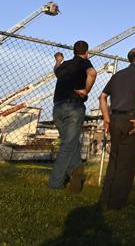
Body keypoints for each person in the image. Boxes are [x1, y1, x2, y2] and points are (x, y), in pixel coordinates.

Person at [98, 46, 135, 210]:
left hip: (114, 119)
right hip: (130, 120)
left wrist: (106, 118)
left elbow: (102, 97)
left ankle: (105, 198)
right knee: (126, 163)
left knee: (114, 159)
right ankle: (117, 203)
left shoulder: (117, 75)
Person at [49, 42, 97, 191]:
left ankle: (75, 170)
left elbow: (56, 71)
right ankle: (55, 184)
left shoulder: (65, 65)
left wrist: (58, 61)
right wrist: (86, 90)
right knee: (68, 146)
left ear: (73, 51)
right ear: (86, 52)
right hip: (74, 106)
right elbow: (92, 73)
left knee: (70, 141)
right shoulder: (84, 62)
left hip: (58, 107)